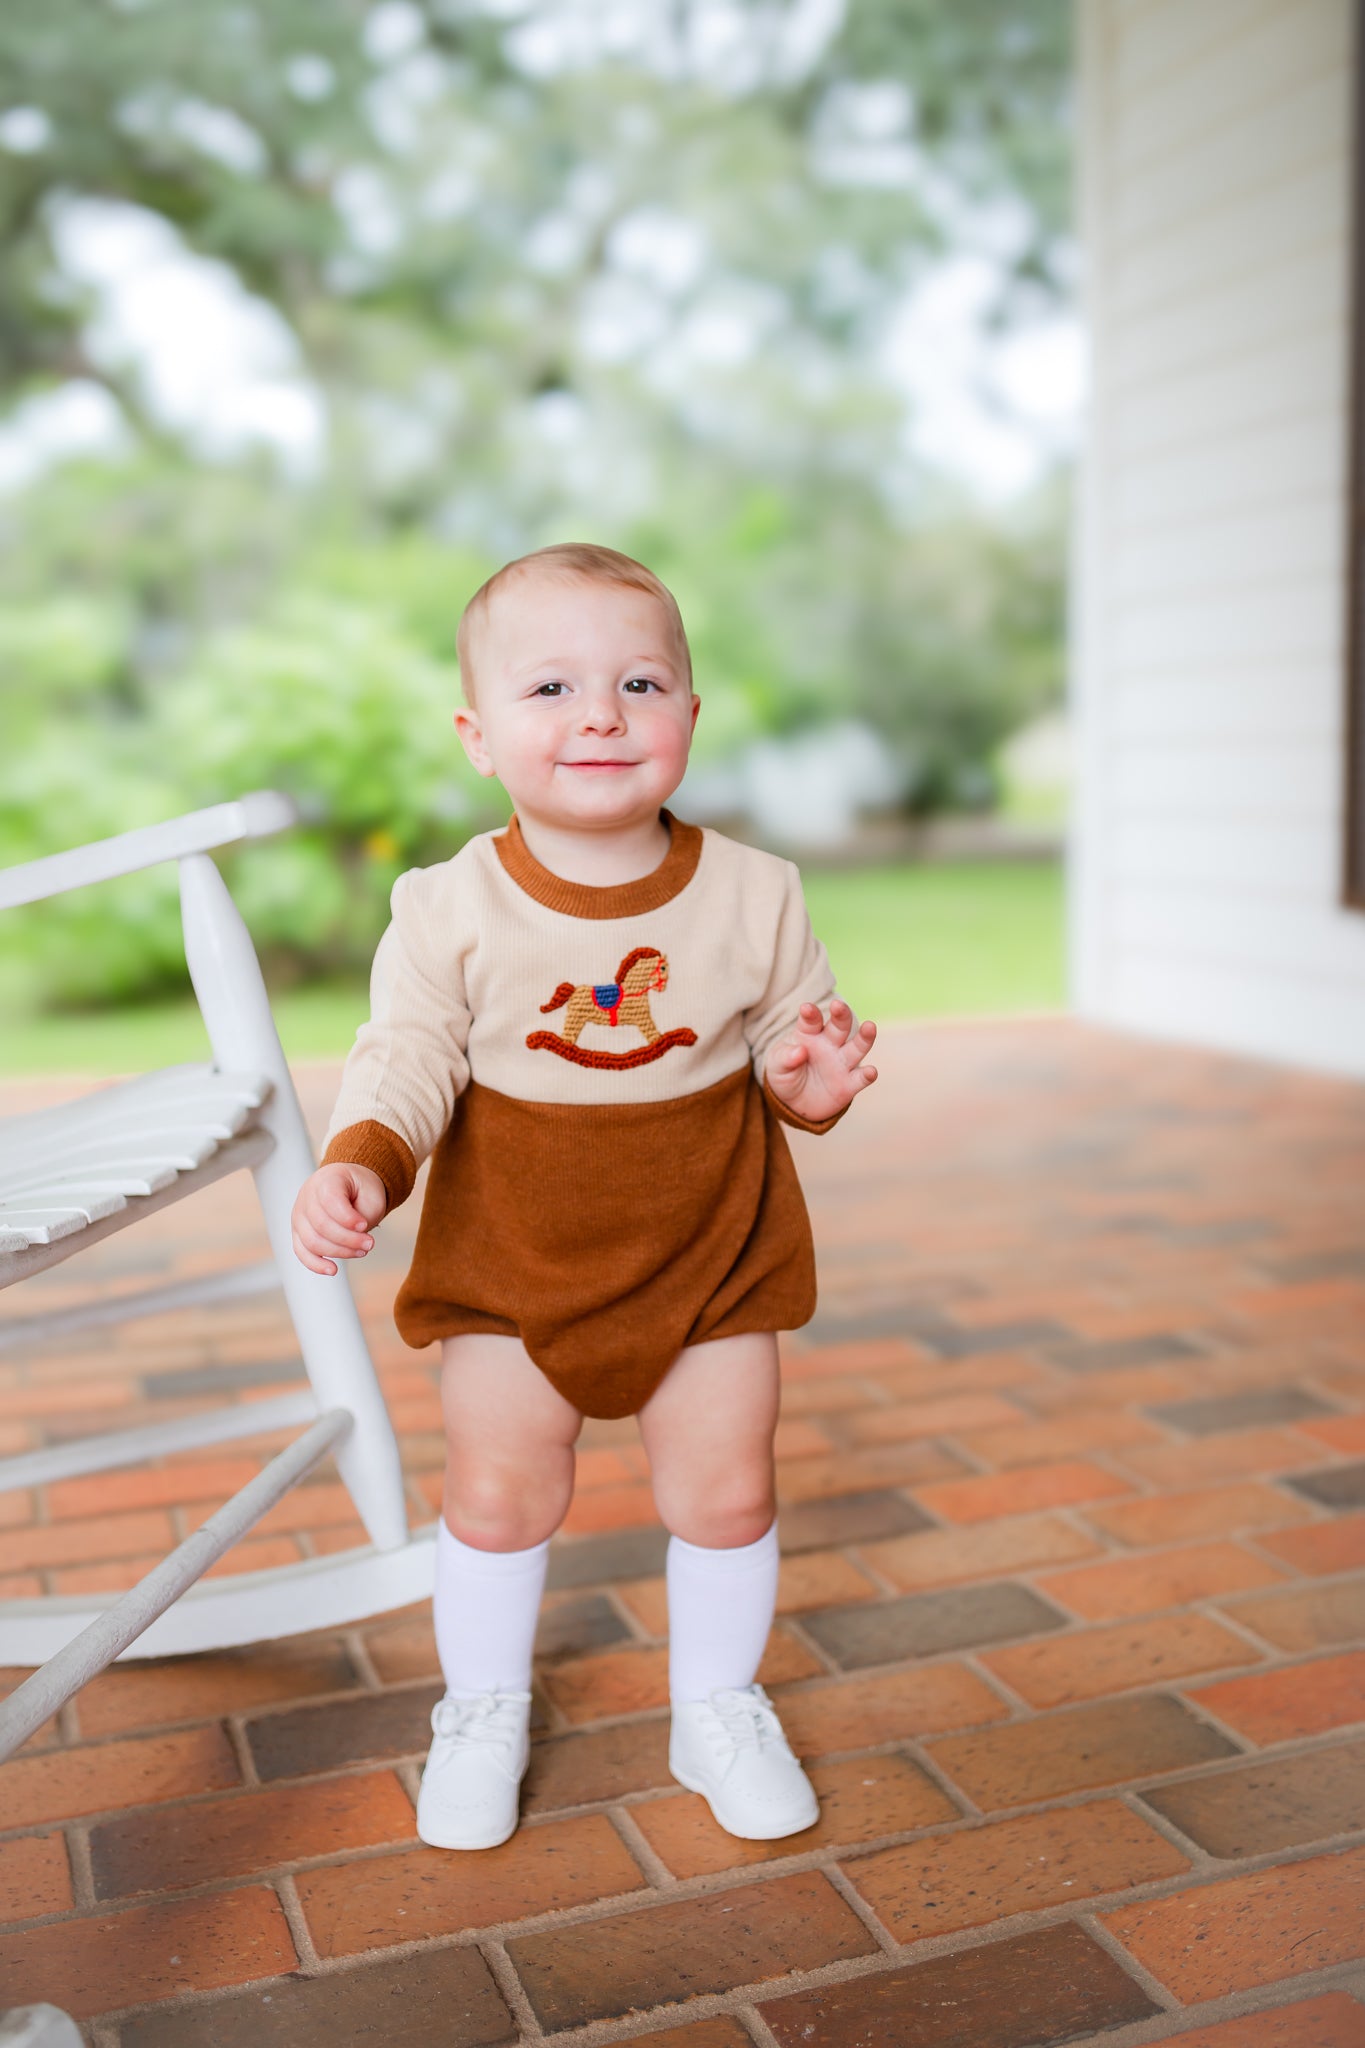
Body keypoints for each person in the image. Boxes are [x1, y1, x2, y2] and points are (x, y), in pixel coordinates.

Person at [290, 543, 878, 1852]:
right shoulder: (449, 905)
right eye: (549, 687)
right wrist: (364, 1161)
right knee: (499, 1496)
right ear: (478, 735)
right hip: (515, 1263)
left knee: (726, 1492)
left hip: (709, 1256)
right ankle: (482, 1703)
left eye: (639, 681)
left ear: (688, 715)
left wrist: (813, 1080)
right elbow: (409, 1054)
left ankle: (714, 1704)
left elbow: (793, 1043)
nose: (600, 714)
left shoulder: (754, 892)